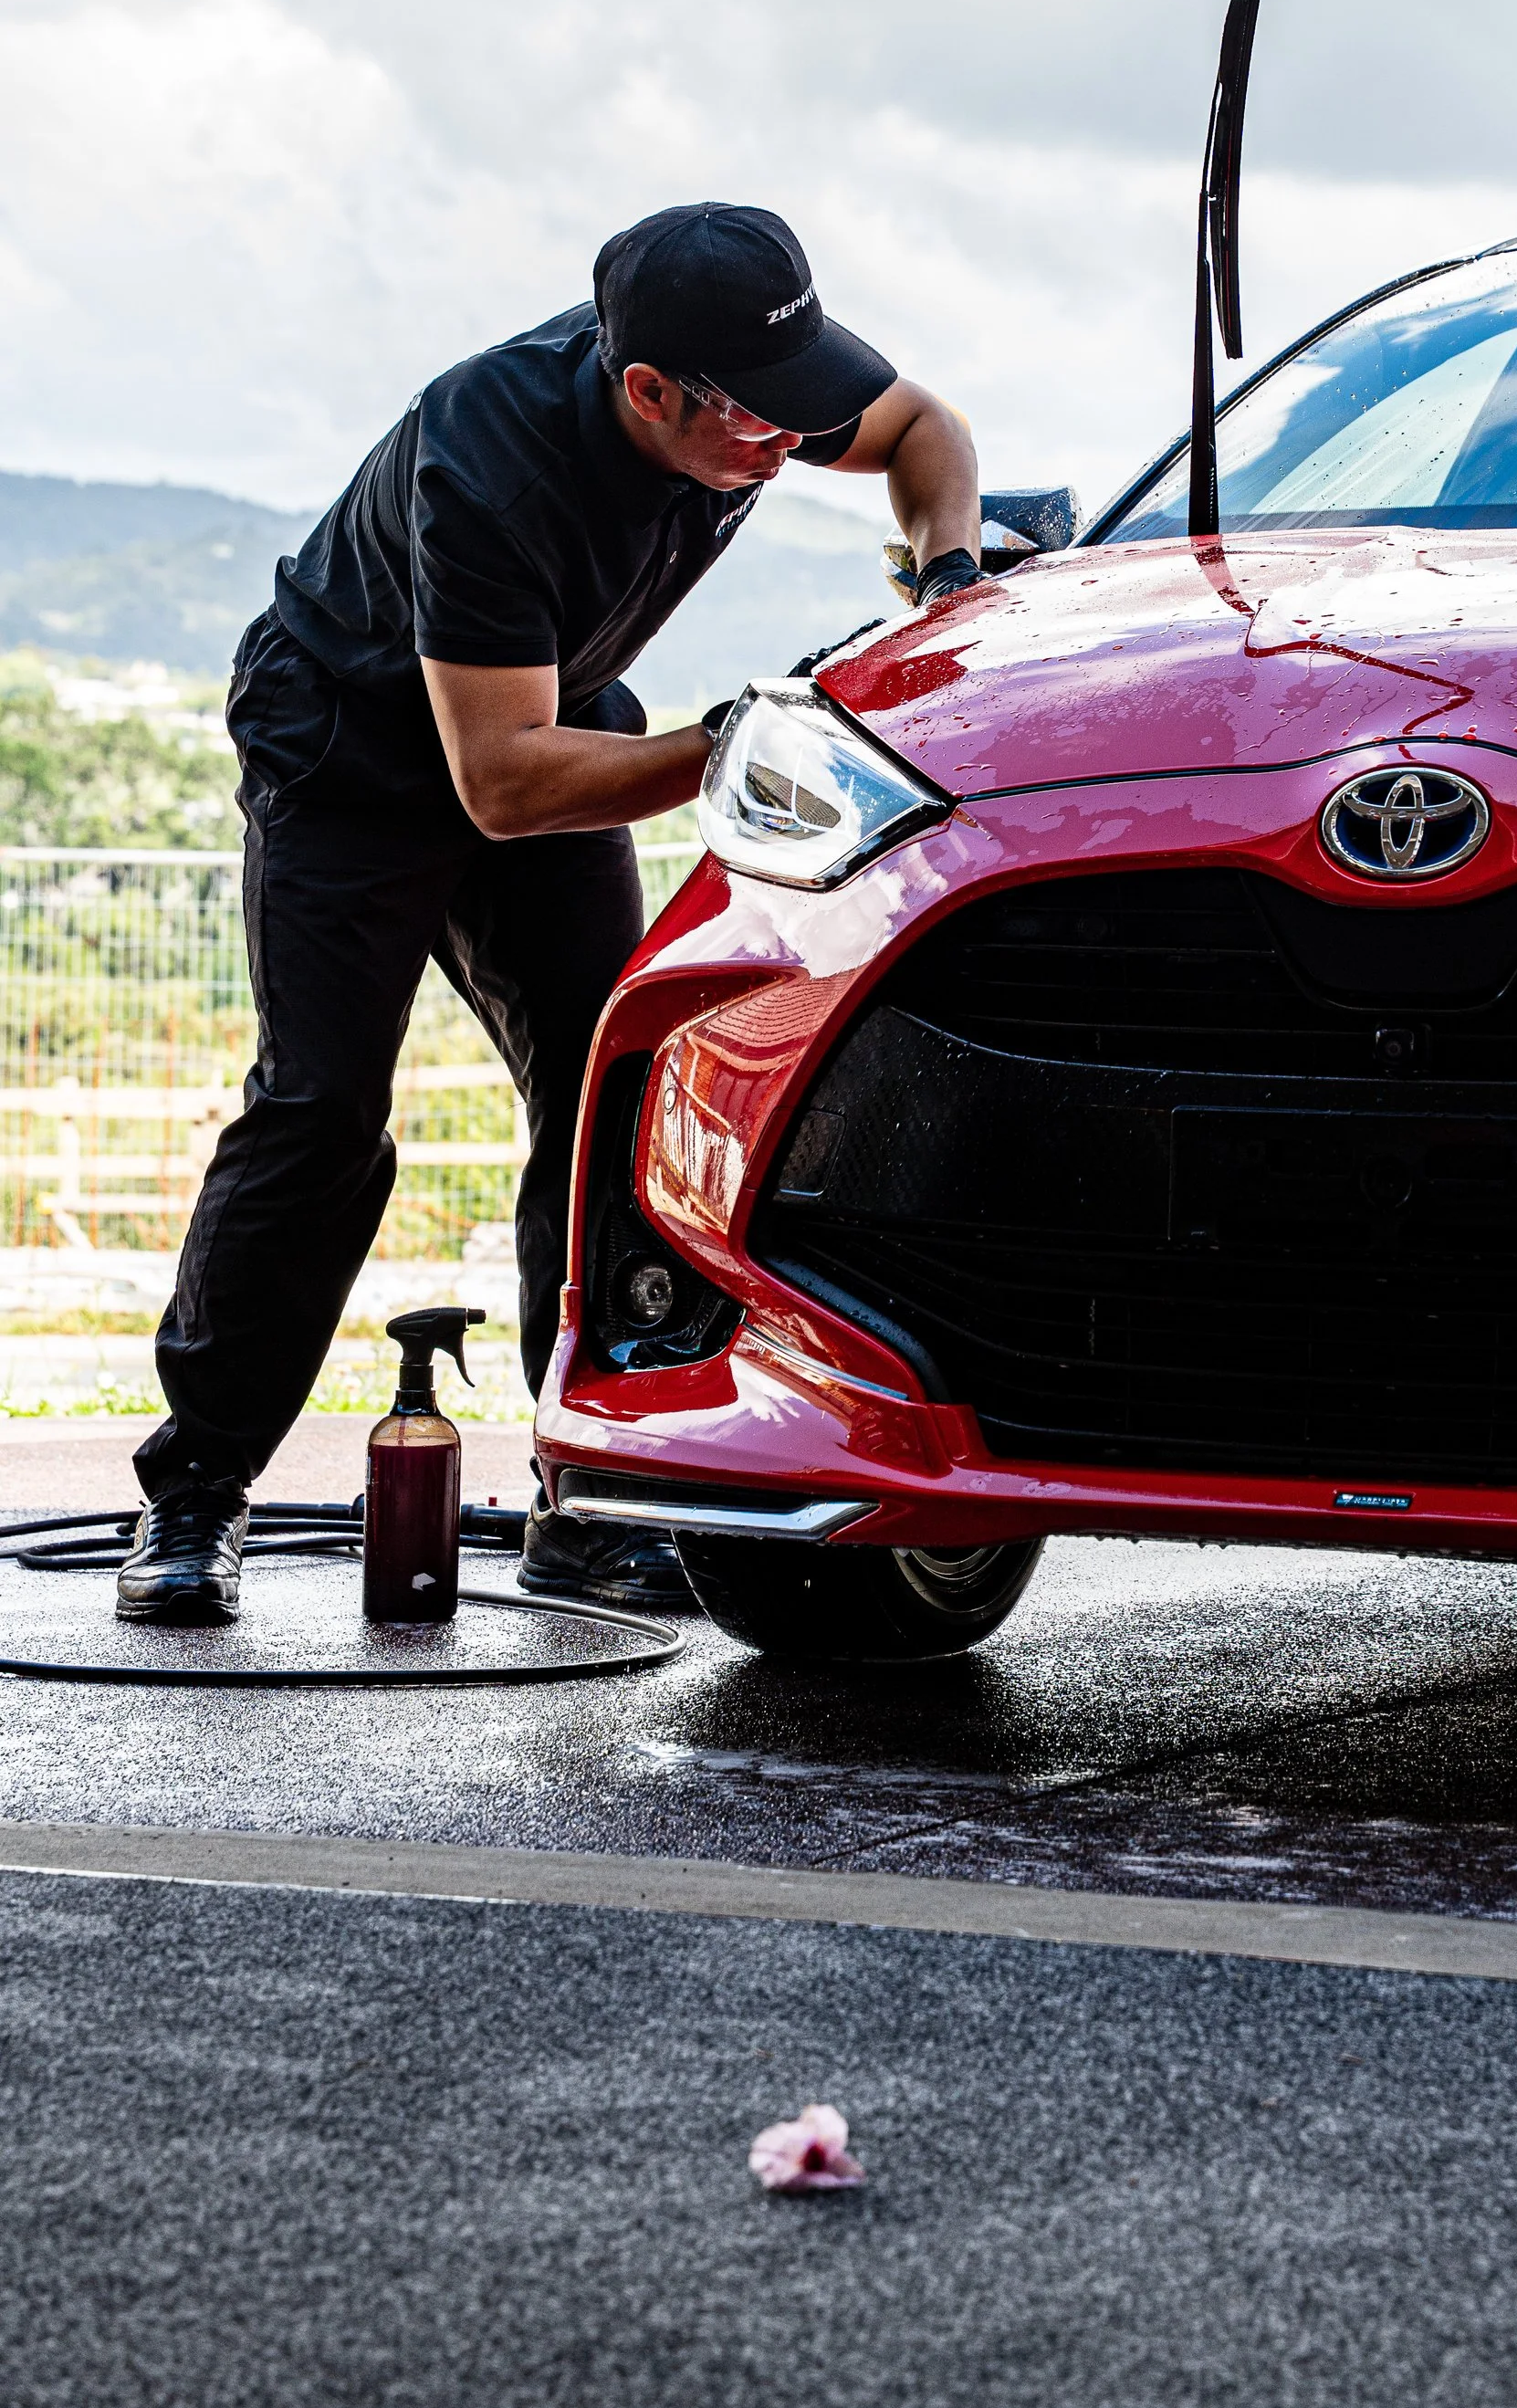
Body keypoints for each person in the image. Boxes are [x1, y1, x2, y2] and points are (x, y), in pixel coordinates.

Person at [115, 202, 981, 1624]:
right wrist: (746, 743)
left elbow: (926, 431)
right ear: (648, 392)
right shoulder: (488, 458)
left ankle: (591, 1496)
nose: (788, 445)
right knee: (323, 1113)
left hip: (554, 720)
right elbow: (502, 787)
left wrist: (944, 569)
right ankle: (195, 1485)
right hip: (356, 761)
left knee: (607, 1097)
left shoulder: (750, 379)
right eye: (761, 428)